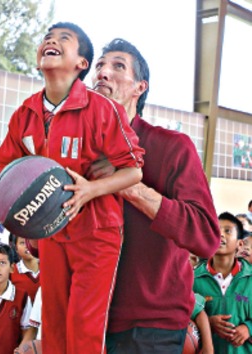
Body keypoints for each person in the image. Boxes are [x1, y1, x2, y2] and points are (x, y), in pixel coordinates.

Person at [0, 23, 144, 354]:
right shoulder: (24, 114)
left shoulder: (103, 109)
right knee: (55, 330)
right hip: (50, 231)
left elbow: (133, 171)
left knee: (84, 331)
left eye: (64, 39)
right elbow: (6, 171)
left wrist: (90, 189)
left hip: (97, 232)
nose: (51, 41)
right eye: (48, 37)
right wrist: (18, 218)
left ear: (81, 64)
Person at [88, 38, 221, 353]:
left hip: (150, 327)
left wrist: (130, 186)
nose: (103, 73)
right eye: (99, 66)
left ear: (140, 87)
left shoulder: (173, 147)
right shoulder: (78, 151)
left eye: (118, 66)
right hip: (86, 317)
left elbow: (206, 236)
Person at [193, 211, 252, 353]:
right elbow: (182, 319)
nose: (221, 235)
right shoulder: (193, 279)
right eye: (216, 230)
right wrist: (207, 324)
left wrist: (248, 328)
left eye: (228, 231)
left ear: (240, 244)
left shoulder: (250, 277)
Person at [10, 236, 40, 303]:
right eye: (22, 243)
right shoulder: (11, 272)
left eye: (31, 241)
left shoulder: (47, 268)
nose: (27, 246)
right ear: (16, 248)